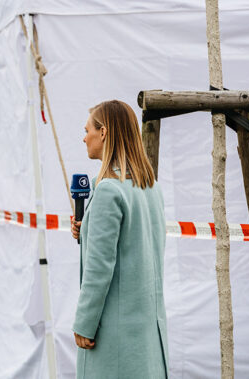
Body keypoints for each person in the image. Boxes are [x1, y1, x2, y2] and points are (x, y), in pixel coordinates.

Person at [71, 100, 169, 378]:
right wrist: (86, 231)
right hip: (147, 331)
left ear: (103, 133)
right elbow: (135, 246)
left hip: (116, 335)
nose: (84, 136)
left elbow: (99, 268)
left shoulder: (108, 192)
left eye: (87, 129)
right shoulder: (150, 187)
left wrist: (85, 323)